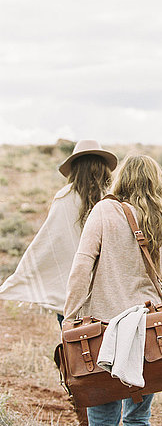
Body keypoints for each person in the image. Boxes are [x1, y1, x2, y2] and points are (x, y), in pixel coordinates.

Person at [63, 155, 162, 426]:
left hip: (102, 337)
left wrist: (70, 318)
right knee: (138, 419)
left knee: (101, 424)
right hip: (148, 339)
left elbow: (81, 269)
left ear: (122, 180)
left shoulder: (104, 212)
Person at [0, 139, 118, 324]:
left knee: (73, 345)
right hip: (110, 292)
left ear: (75, 168)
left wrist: (21, 277)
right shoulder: (114, 199)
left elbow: (49, 243)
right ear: (103, 167)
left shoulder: (64, 197)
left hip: (71, 291)